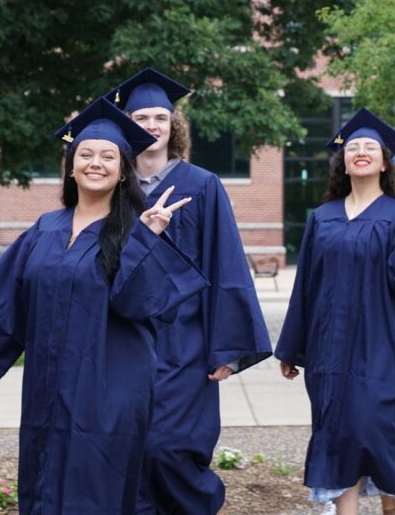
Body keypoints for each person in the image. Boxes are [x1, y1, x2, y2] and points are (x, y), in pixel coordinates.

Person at [0, 96, 209, 514]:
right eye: (85, 154)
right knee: (43, 477)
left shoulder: (133, 230)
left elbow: (140, 302)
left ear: (124, 171)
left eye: (108, 156)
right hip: (47, 389)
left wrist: (148, 237)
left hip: (110, 390)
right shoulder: (45, 228)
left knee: (96, 489)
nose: (95, 163)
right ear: (70, 166)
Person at [105, 67, 273, 514]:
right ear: (127, 125)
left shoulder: (203, 185)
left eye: (161, 117)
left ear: (173, 125)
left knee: (173, 447)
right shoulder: (113, 187)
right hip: (124, 339)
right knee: (129, 452)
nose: (152, 126)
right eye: (141, 118)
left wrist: (229, 349)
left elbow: (228, 265)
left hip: (187, 341)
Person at [275, 107, 395, 515]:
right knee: (337, 433)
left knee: (374, 430)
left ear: (384, 160)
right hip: (328, 351)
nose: (359, 152)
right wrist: (291, 348)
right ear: (343, 161)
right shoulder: (322, 218)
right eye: (352, 147)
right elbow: (305, 286)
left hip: (380, 344)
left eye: (369, 147)